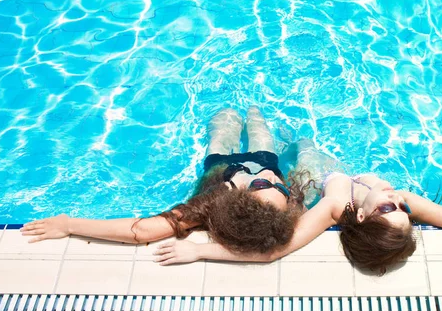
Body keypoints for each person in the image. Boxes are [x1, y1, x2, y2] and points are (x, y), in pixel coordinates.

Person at [154, 139, 442, 274]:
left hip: (294, 171)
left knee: (275, 147)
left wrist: (200, 249)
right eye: (403, 210)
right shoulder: (401, 201)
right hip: (308, 160)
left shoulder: (335, 204)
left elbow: (274, 251)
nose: (399, 201)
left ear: (361, 217)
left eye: (389, 210)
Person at [21, 107, 313, 255]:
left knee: (222, 129)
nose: (270, 180)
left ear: (239, 200)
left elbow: (141, 231)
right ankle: (251, 111)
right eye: (280, 188)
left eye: (263, 186)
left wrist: (69, 225)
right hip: (265, 156)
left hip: (222, 165)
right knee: (259, 127)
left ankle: (229, 115)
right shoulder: (275, 182)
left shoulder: (216, 200)